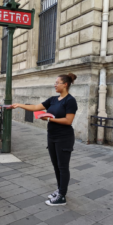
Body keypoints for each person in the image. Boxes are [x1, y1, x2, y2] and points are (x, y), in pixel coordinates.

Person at [11, 73, 78, 206]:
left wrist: (49, 118)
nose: (55, 85)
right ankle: (60, 190)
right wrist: (19, 105)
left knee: (63, 167)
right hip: (52, 136)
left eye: (57, 82)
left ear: (65, 85)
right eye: (55, 82)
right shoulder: (53, 99)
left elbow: (68, 120)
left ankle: (62, 196)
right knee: (56, 165)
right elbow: (36, 107)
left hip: (64, 138)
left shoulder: (70, 101)